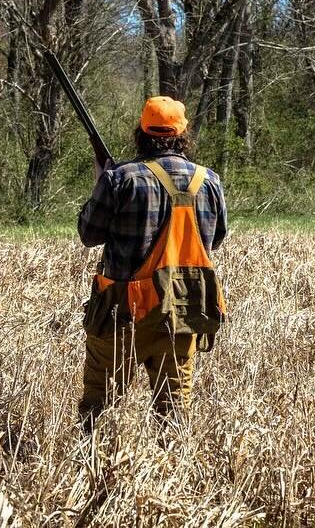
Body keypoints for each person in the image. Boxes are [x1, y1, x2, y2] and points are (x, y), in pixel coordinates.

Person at [76, 96, 229, 431]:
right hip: (184, 308)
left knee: (98, 408)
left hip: (122, 312)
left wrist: (99, 180)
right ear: (183, 134)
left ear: (141, 133)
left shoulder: (120, 178)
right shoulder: (209, 181)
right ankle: (173, 477)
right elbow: (214, 240)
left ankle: (95, 472)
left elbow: (89, 234)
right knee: (173, 411)